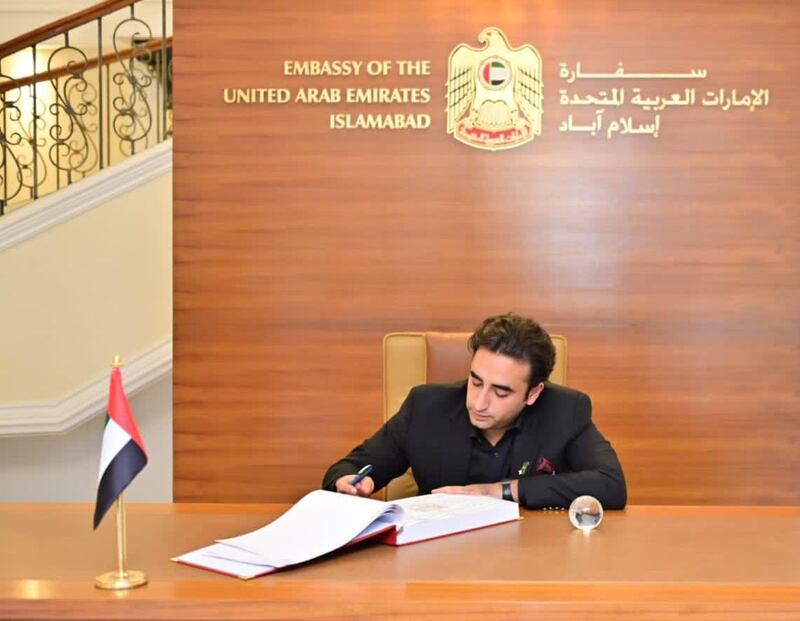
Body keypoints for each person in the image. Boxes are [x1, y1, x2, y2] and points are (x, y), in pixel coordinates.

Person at [322, 313, 627, 509]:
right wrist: (349, 483)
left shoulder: (566, 411)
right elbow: (348, 469)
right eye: (476, 381)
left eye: (501, 391)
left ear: (533, 393)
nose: (479, 402)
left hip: (532, 558)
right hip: (438, 559)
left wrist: (500, 491)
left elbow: (611, 485)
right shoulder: (426, 407)